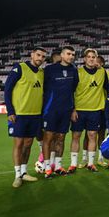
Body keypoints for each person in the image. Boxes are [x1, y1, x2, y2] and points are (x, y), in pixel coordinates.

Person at [4, 47, 47, 188]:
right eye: (38, 55)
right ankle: (17, 175)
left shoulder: (41, 73)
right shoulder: (20, 68)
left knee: (28, 144)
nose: (40, 58)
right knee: (18, 144)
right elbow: (8, 89)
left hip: (35, 115)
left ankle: (24, 172)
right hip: (20, 114)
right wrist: (10, 111)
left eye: (43, 57)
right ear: (32, 55)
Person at [68, 48, 109, 173]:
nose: (91, 59)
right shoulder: (77, 72)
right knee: (76, 136)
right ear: (85, 59)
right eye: (89, 57)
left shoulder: (102, 72)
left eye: (94, 57)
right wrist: (73, 109)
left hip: (95, 110)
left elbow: (108, 88)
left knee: (92, 135)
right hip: (79, 110)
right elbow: (70, 91)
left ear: (97, 59)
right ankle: (73, 164)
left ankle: (91, 163)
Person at [42, 46, 78, 178]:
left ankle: (57, 166)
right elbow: (44, 89)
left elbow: (73, 89)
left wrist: (73, 108)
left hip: (66, 110)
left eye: (73, 54)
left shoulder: (73, 70)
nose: (71, 56)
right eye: (68, 54)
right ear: (62, 55)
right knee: (49, 138)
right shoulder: (50, 69)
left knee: (61, 138)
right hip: (51, 109)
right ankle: (47, 167)